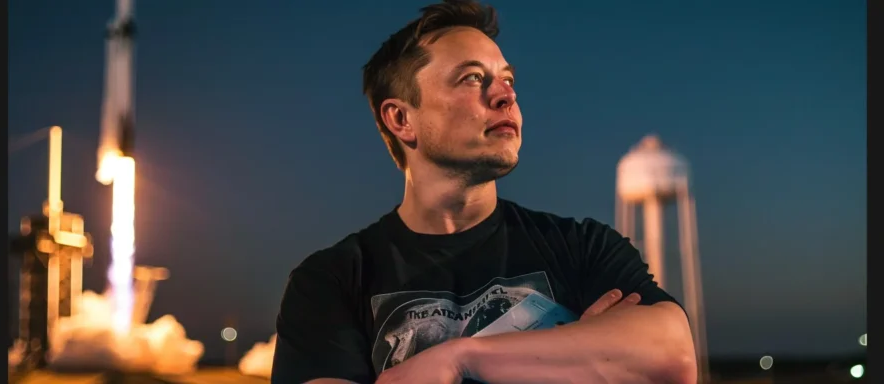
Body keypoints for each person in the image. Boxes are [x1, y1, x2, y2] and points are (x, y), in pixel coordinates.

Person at [271, 1, 697, 383]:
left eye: (508, 79)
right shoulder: (330, 281)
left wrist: (459, 359)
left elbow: (672, 354)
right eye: (473, 78)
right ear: (402, 119)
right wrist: (573, 350)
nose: (506, 95)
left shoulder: (581, 247)